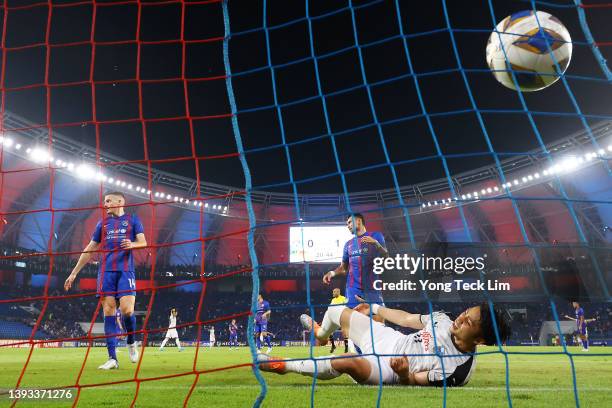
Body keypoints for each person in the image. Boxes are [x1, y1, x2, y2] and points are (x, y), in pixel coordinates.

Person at [259, 301, 511, 386]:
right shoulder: (443, 320)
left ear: (480, 340)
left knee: (344, 361)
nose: (461, 318)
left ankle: (284, 365)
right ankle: (321, 335)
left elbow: (412, 381)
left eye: (469, 322)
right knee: (336, 309)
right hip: (389, 338)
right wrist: (375, 307)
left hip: (389, 368)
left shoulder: (458, 371)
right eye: (467, 312)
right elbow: (405, 318)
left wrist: (403, 374)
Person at [64, 191, 146, 370]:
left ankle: (131, 341)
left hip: (125, 272)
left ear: (120, 201)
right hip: (105, 272)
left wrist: (133, 244)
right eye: (105, 201)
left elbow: (143, 242)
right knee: (109, 311)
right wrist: (74, 273)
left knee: (127, 310)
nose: (105, 204)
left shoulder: (133, 220)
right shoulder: (103, 224)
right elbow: (90, 248)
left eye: (108, 201)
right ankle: (112, 358)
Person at [322, 214, 388, 310]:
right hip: (353, 289)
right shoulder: (348, 244)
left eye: (349, 222)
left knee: (378, 319)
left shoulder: (376, 236)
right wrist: (332, 273)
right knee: (352, 320)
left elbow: (386, 257)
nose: (347, 226)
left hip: (372, 289)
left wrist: (376, 244)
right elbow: (343, 268)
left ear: (358, 221)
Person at [329, 288, 349, 353]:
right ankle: (333, 346)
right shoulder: (333, 300)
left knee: (344, 333)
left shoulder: (343, 298)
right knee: (330, 332)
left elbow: (347, 305)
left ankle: (346, 348)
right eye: (332, 292)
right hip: (334, 318)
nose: (333, 293)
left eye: (334, 292)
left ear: (338, 292)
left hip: (341, 317)